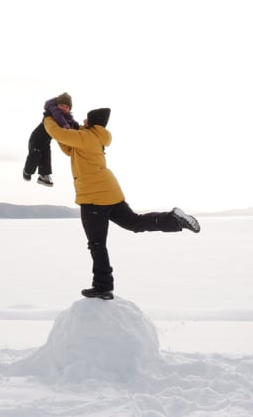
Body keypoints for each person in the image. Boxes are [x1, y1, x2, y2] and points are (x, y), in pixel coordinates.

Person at [44, 107, 200, 300]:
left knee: (97, 244)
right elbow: (68, 146)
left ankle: (103, 286)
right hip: (109, 191)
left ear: (92, 122)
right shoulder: (94, 137)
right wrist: (63, 128)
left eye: (86, 118)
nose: (83, 120)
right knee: (135, 222)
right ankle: (173, 219)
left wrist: (48, 118)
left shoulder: (85, 137)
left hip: (94, 197)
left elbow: (57, 133)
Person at [23, 93, 79, 187]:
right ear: (57, 106)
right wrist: (66, 127)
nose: (63, 108)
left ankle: (43, 177)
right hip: (36, 139)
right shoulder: (54, 112)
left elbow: (73, 123)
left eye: (66, 107)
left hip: (46, 141)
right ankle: (27, 171)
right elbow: (59, 118)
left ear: (69, 109)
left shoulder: (67, 118)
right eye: (61, 105)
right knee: (35, 157)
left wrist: (77, 127)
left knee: (46, 158)